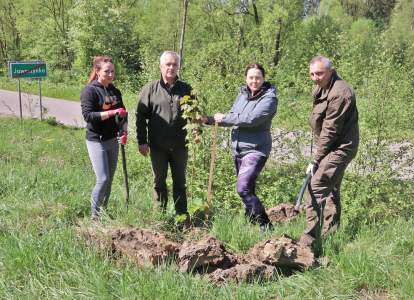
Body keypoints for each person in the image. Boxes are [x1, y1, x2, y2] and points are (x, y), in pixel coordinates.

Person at [202, 63, 277, 231]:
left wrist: (225, 117)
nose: (254, 81)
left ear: (263, 79)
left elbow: (251, 119)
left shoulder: (269, 99)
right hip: (238, 150)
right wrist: (208, 119)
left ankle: (266, 225)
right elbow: (232, 117)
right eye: (251, 77)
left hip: (256, 150)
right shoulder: (242, 95)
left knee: (242, 188)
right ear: (246, 78)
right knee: (248, 189)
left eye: (258, 77)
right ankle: (251, 223)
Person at [301, 55, 359, 248]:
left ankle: (309, 243)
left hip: (340, 148)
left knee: (315, 187)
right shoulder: (321, 87)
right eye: (312, 74)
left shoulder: (341, 93)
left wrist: (316, 159)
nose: (315, 77)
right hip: (328, 146)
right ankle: (331, 234)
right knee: (331, 188)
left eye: (319, 73)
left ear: (330, 72)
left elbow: (331, 130)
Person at [135, 51, 192, 221]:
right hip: (158, 147)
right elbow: (140, 117)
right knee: (159, 182)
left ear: (178, 66)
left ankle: (181, 216)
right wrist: (142, 142)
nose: (171, 67)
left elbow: (194, 115)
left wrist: (196, 131)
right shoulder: (150, 89)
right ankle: (160, 216)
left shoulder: (186, 89)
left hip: (180, 147)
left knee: (180, 183)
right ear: (161, 66)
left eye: (174, 64)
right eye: (168, 64)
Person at [80, 56, 128, 220]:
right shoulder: (90, 91)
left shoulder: (115, 91)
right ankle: (95, 217)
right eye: (107, 71)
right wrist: (111, 113)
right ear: (98, 71)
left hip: (112, 139)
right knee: (103, 178)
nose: (110, 74)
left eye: (112, 71)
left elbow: (123, 113)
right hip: (96, 140)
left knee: (110, 179)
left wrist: (124, 132)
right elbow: (88, 116)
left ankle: (103, 212)